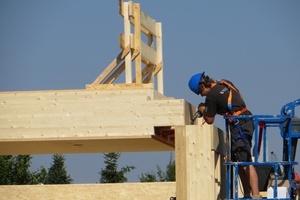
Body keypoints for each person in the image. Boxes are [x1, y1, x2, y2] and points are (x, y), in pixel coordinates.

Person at [188, 71, 260, 199]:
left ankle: (255, 196)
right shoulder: (225, 83)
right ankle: (248, 195)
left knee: (245, 161)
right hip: (245, 118)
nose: (201, 96)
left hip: (239, 124)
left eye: (200, 93)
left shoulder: (210, 97)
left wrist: (203, 109)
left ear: (202, 86)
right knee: (240, 161)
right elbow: (239, 97)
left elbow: (209, 120)